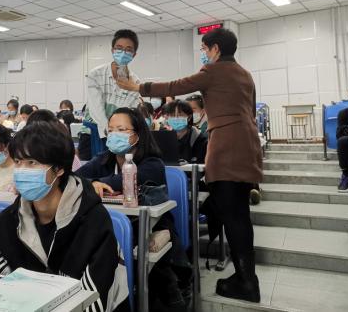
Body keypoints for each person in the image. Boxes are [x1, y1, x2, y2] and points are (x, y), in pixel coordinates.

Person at [117, 27, 263, 303]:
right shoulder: (245, 74)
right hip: (247, 146)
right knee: (240, 215)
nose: (203, 54)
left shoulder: (214, 70)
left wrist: (138, 87)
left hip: (228, 149)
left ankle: (247, 282)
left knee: (232, 215)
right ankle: (246, 278)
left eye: (205, 49)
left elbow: (176, 86)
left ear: (216, 49)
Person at [0, 122, 129, 312]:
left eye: (32, 163)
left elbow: (93, 301)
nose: (21, 171)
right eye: (18, 162)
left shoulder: (94, 222)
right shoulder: (8, 222)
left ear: (59, 168)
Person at [77, 107, 190, 311]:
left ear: (137, 135)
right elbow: (75, 178)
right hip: (109, 229)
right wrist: (92, 183)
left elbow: (120, 181)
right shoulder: (103, 159)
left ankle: (170, 295)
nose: (114, 135)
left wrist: (95, 183)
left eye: (121, 130)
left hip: (150, 228)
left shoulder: (153, 164)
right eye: (111, 130)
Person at [80, 30, 141, 160]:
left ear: (134, 54)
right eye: (119, 48)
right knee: (89, 169)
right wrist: (109, 131)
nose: (123, 53)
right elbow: (96, 108)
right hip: (92, 133)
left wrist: (116, 133)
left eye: (128, 49)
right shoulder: (95, 74)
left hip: (119, 137)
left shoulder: (135, 82)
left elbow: (126, 112)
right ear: (112, 50)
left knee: (118, 169)